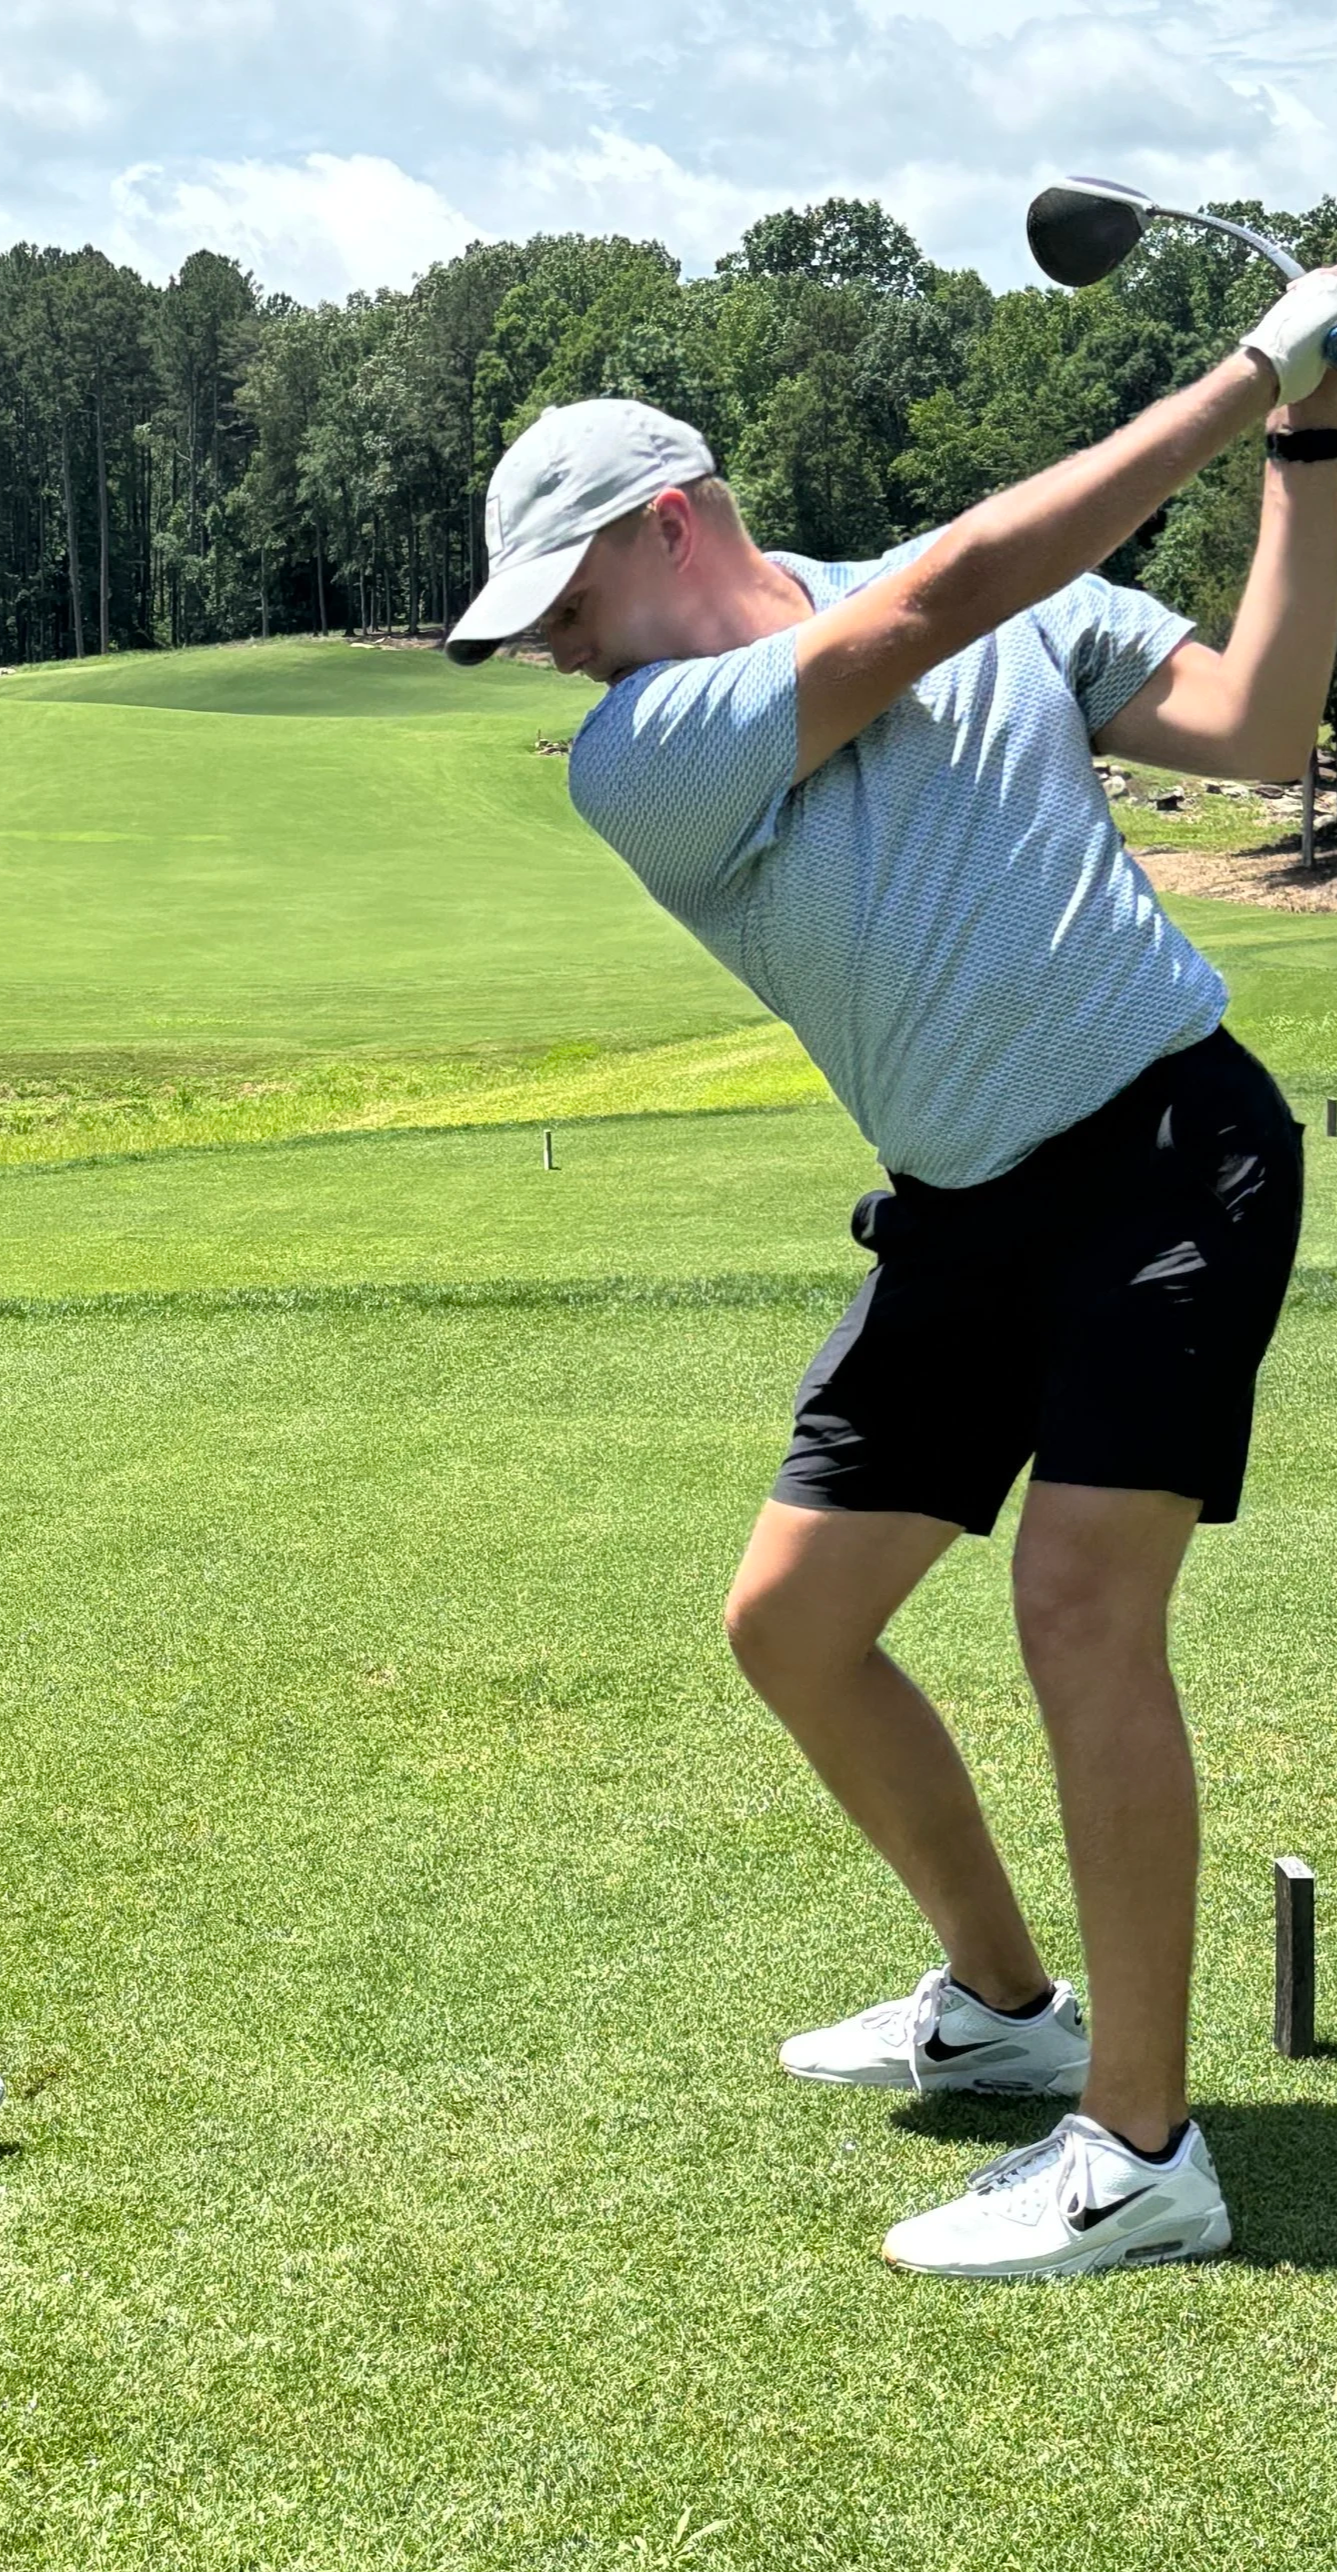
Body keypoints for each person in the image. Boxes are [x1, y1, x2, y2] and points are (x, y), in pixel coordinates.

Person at [445, 270, 1337, 2278]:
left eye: (564, 599)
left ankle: (1142, 2146)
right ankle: (1013, 2009)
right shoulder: (643, 748)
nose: (559, 651)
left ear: (668, 518)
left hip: (1163, 1147)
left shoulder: (981, 598)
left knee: (1077, 1609)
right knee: (792, 1623)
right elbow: (926, 607)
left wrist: (1305, 442)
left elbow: (1259, 725)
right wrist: (1252, 361)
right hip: (959, 1206)